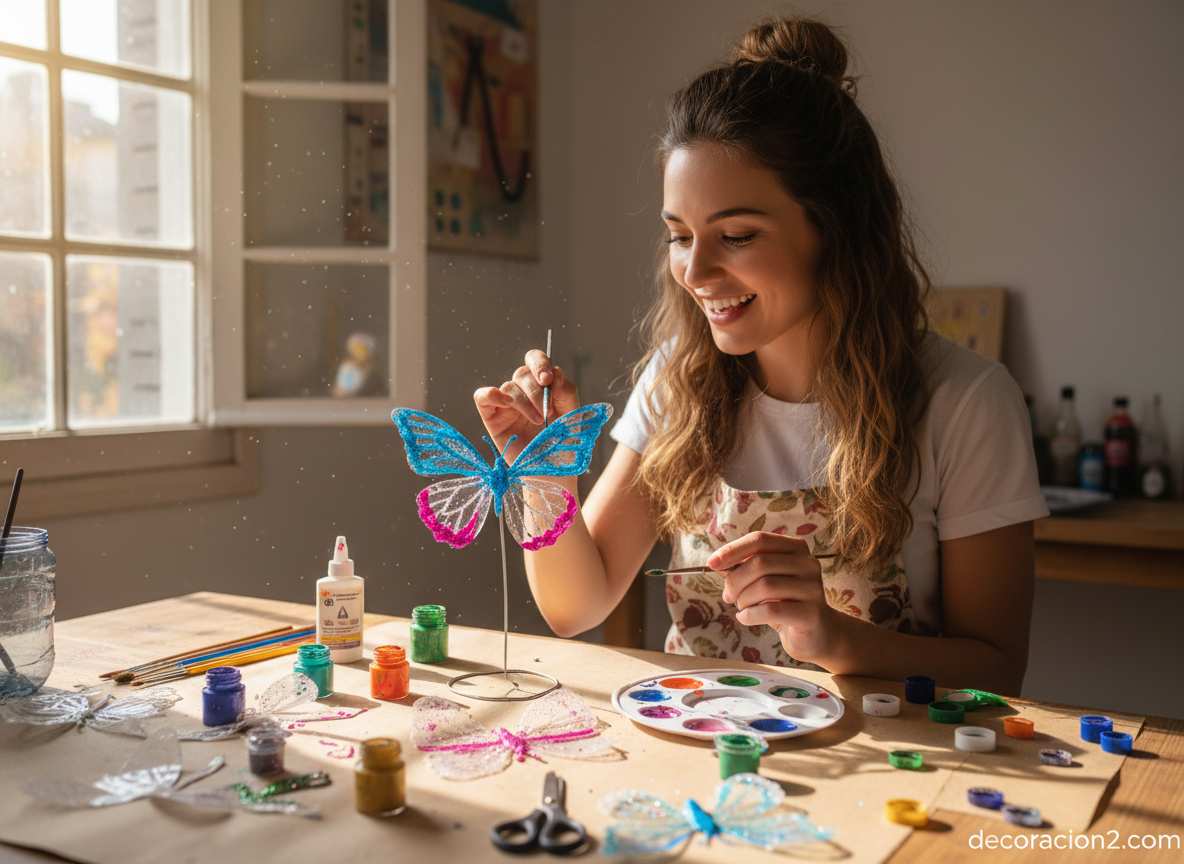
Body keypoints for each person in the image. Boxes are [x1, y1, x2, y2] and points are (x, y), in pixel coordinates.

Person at [474, 17, 1047, 694]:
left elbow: (997, 666)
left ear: (836, 227)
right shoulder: (675, 379)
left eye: (737, 235)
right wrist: (546, 474)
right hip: (696, 756)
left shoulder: (967, 401)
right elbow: (576, 607)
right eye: (678, 237)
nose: (695, 271)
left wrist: (833, 637)